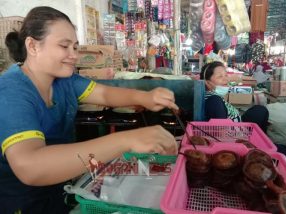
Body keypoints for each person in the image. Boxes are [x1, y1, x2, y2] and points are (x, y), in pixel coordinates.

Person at [0, 6, 178, 214]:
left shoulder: (64, 81)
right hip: (20, 202)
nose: (73, 55)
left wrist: (145, 97)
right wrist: (127, 140)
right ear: (32, 45)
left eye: (75, 47)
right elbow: (30, 166)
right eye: (64, 46)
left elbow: (104, 94)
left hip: (58, 191)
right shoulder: (11, 92)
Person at [200, 61, 269, 132]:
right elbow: (220, 132)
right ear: (207, 82)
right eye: (220, 76)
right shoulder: (214, 101)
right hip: (238, 133)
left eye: (226, 75)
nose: (225, 79)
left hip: (238, 124)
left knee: (259, 109)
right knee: (261, 111)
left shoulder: (213, 96)